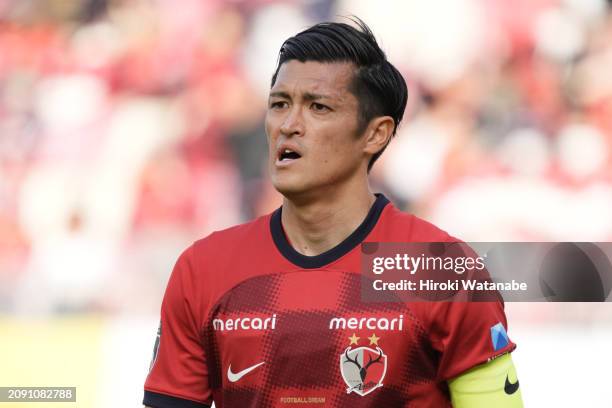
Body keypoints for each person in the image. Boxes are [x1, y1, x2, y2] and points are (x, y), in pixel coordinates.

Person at [143, 18, 523, 408]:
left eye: (318, 107)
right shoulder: (203, 269)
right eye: (279, 104)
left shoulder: (442, 270)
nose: (288, 125)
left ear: (375, 134)